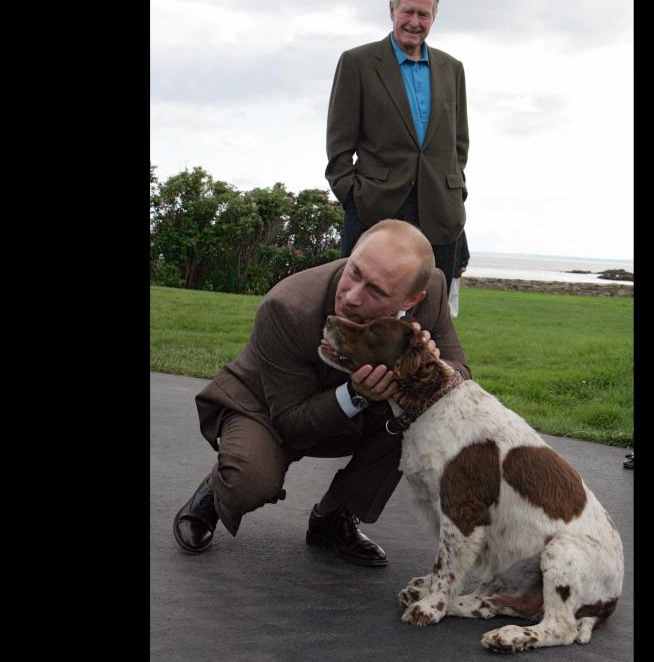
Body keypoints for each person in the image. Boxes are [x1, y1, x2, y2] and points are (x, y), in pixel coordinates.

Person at [173, 220, 471, 567]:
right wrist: (357, 394)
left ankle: (333, 518)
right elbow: (291, 425)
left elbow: (461, 376)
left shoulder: (431, 290)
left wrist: (433, 364)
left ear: (411, 298)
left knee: (420, 416)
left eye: (376, 291)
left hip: (356, 412)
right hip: (266, 408)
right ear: (351, 254)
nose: (352, 296)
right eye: (354, 272)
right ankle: (216, 487)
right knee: (249, 481)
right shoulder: (286, 306)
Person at [325, 0, 469, 294]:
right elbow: (338, 147)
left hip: (439, 215)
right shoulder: (357, 63)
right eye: (408, 11)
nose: (414, 21)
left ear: (434, 16)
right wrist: (354, 198)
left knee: (429, 317)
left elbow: (458, 147)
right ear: (391, 9)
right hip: (374, 211)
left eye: (424, 14)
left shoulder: (453, 70)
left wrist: (454, 197)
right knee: (363, 314)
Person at [448, 230, 470, 317]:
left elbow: (464, 247)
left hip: (455, 267)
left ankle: (452, 313)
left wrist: (464, 264)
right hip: (443, 266)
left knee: (453, 292)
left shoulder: (460, 231)